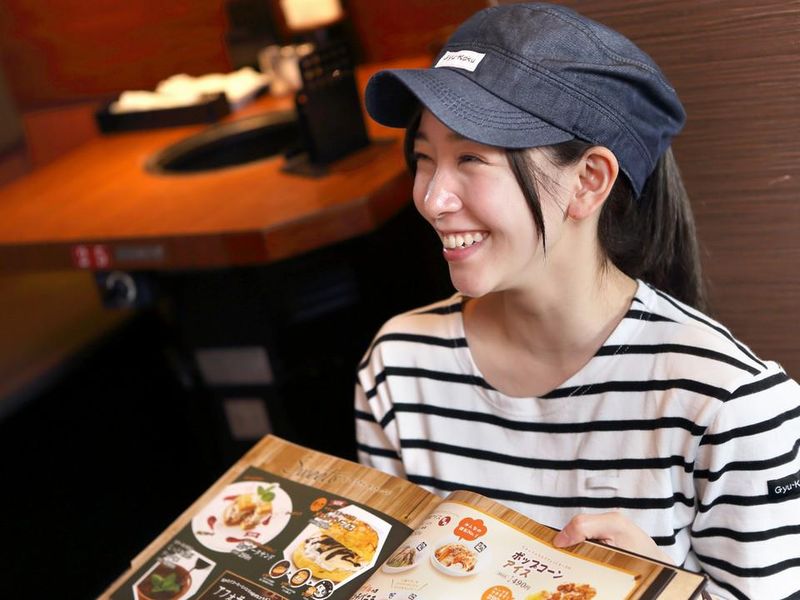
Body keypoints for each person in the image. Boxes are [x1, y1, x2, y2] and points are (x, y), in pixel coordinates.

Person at [353, 3, 800, 599]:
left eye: (471, 159)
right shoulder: (398, 365)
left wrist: (661, 591)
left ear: (589, 180)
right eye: (423, 158)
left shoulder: (732, 407)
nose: (432, 199)